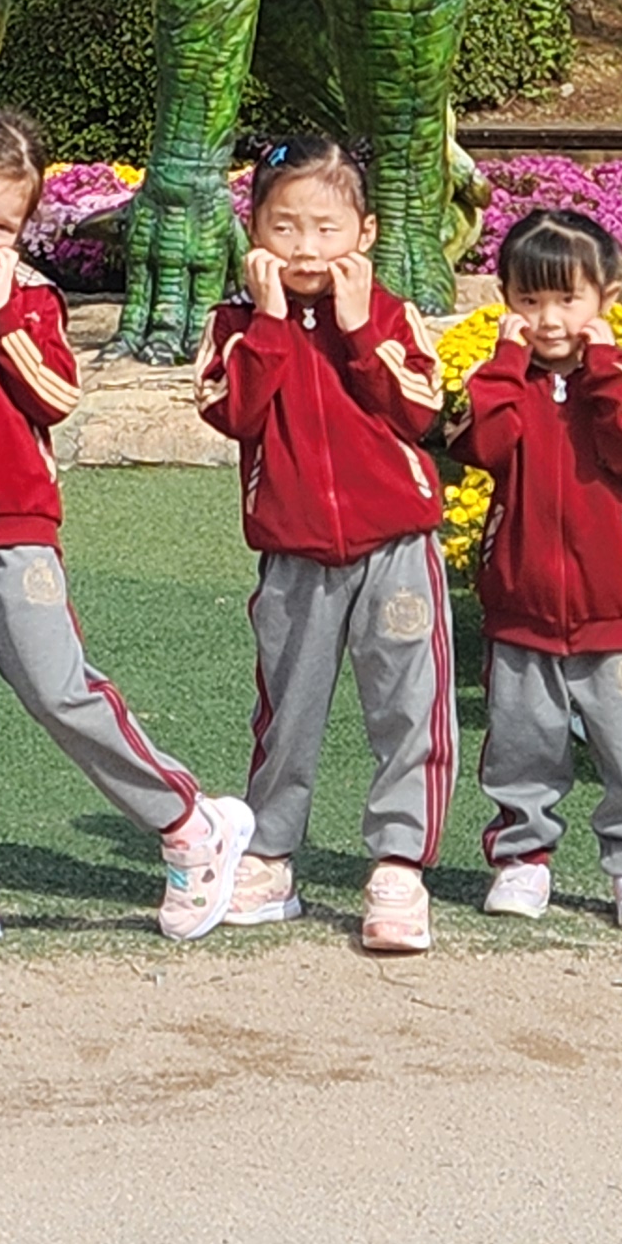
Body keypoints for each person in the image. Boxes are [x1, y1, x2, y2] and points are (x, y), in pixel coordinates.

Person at [0, 104, 256, 946]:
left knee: (62, 688)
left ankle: (187, 822)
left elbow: (57, 397)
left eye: (3, 224)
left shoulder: (31, 299)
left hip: (19, 528)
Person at [195, 133, 457, 954]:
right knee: (288, 709)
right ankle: (270, 854)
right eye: (284, 227)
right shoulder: (237, 325)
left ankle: (398, 866)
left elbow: (420, 412)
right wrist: (273, 325)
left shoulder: (389, 316)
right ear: (255, 234)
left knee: (407, 705)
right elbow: (228, 412)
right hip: (294, 548)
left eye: (325, 228)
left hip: (397, 544)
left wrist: (355, 332)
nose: (305, 247)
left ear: (366, 233)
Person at [460, 207, 622, 932]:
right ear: (505, 300)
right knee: (522, 742)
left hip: (615, 608)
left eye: (567, 300)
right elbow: (487, 448)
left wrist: (603, 371)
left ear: (606, 300)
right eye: (529, 301)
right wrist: (504, 361)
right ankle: (523, 859)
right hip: (521, 604)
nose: (548, 319)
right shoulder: (500, 380)